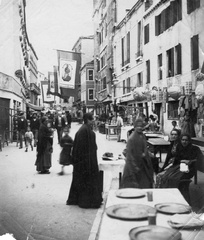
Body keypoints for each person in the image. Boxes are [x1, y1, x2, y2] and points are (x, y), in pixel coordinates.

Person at [66, 113, 103, 208]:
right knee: (87, 181)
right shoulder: (85, 131)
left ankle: (77, 199)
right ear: (88, 120)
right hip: (86, 162)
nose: (93, 122)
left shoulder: (83, 129)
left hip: (83, 162)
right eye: (92, 120)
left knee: (80, 181)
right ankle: (87, 201)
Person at [120, 118, 154, 188]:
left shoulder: (142, 136)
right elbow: (129, 154)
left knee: (145, 183)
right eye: (137, 126)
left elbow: (144, 147)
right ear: (134, 127)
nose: (139, 128)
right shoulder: (131, 138)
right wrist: (134, 167)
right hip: (133, 164)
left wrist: (146, 154)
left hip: (143, 163)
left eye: (141, 126)